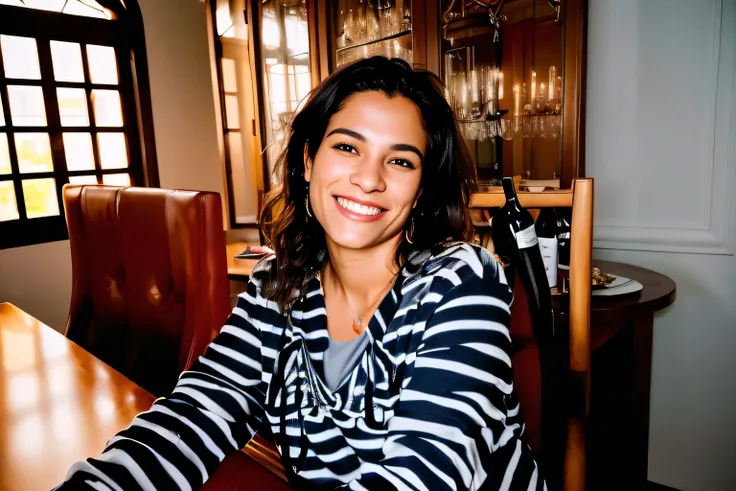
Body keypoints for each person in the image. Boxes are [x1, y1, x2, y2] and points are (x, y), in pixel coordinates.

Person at [56, 56, 544, 490]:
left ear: (420, 191)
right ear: (309, 160)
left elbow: (426, 474)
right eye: (348, 148)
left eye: (399, 160)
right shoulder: (275, 288)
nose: (369, 179)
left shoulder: (462, 283)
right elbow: (199, 412)